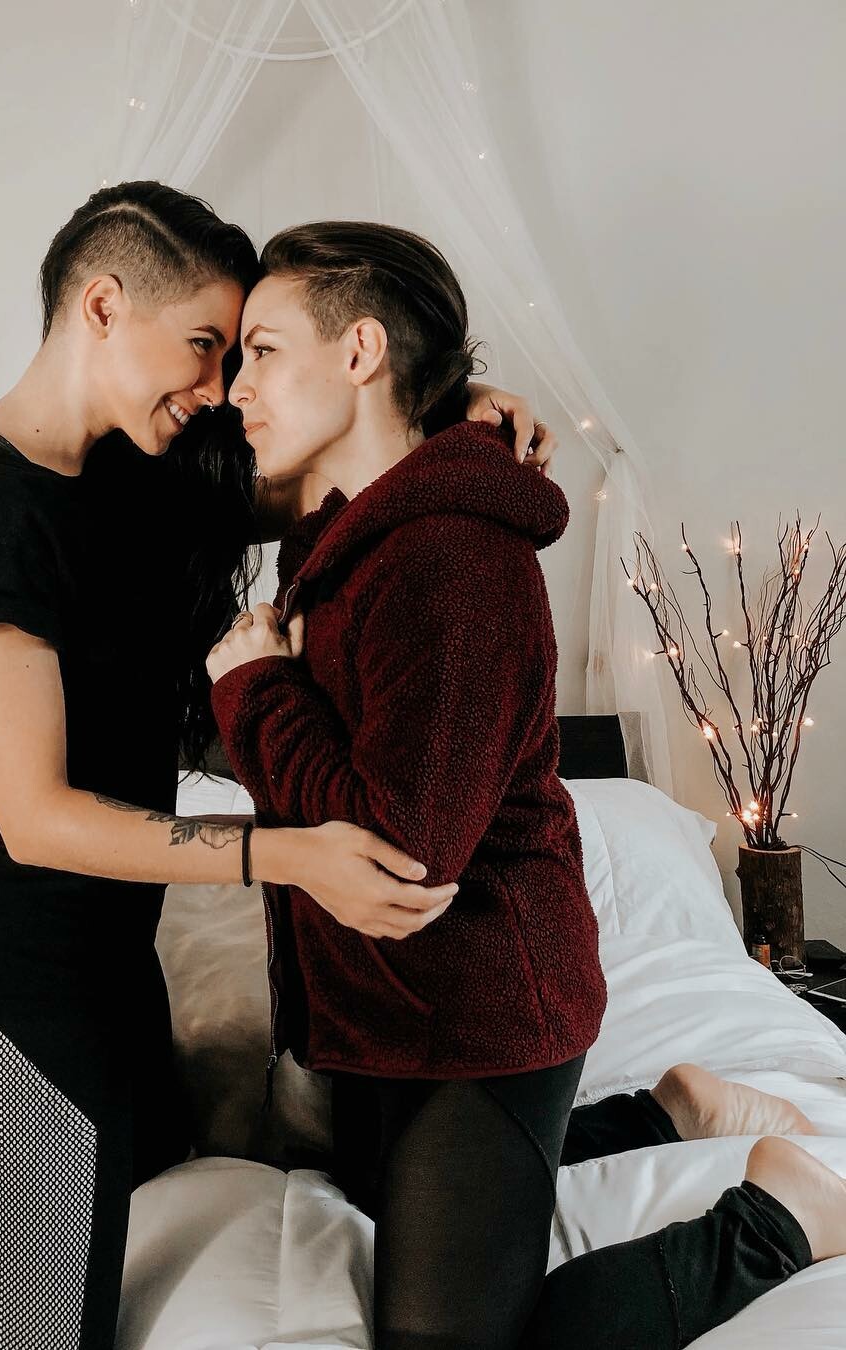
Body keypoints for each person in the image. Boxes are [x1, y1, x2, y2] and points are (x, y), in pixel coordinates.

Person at [0, 180, 550, 1350]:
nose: (218, 388)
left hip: (108, 965)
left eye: (237, 357)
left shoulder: (144, 468)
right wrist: (289, 854)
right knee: (29, 1333)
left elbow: (341, 449)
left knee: (140, 1177)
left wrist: (450, 403)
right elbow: (38, 818)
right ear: (101, 305)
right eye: (202, 346)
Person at [204, 219, 846, 1350]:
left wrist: (256, 691)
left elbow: (402, 853)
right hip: (386, 1013)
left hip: (482, 1015)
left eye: (260, 351)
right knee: (369, 1187)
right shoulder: (344, 537)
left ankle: (783, 1218)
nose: (234, 387)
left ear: (360, 350)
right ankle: (667, 1112)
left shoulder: (450, 558)